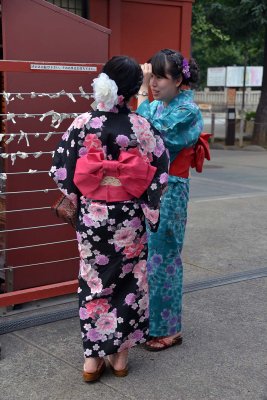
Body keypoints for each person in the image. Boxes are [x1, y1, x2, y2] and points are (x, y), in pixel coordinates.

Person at [50, 56, 169, 381]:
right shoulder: (141, 126)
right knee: (130, 282)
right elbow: (159, 169)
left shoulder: (83, 122)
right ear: (133, 90)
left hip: (93, 218)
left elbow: (62, 169)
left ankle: (92, 360)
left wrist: (83, 192)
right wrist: (148, 205)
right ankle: (120, 359)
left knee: (94, 282)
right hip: (128, 219)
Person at [136, 48, 205, 351]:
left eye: (162, 77)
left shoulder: (186, 109)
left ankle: (169, 328)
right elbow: (141, 126)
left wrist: (140, 101)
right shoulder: (159, 105)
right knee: (147, 256)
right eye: (153, 75)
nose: (154, 83)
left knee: (164, 257)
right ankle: (148, 322)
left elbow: (148, 134)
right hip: (150, 186)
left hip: (171, 188)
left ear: (179, 80)